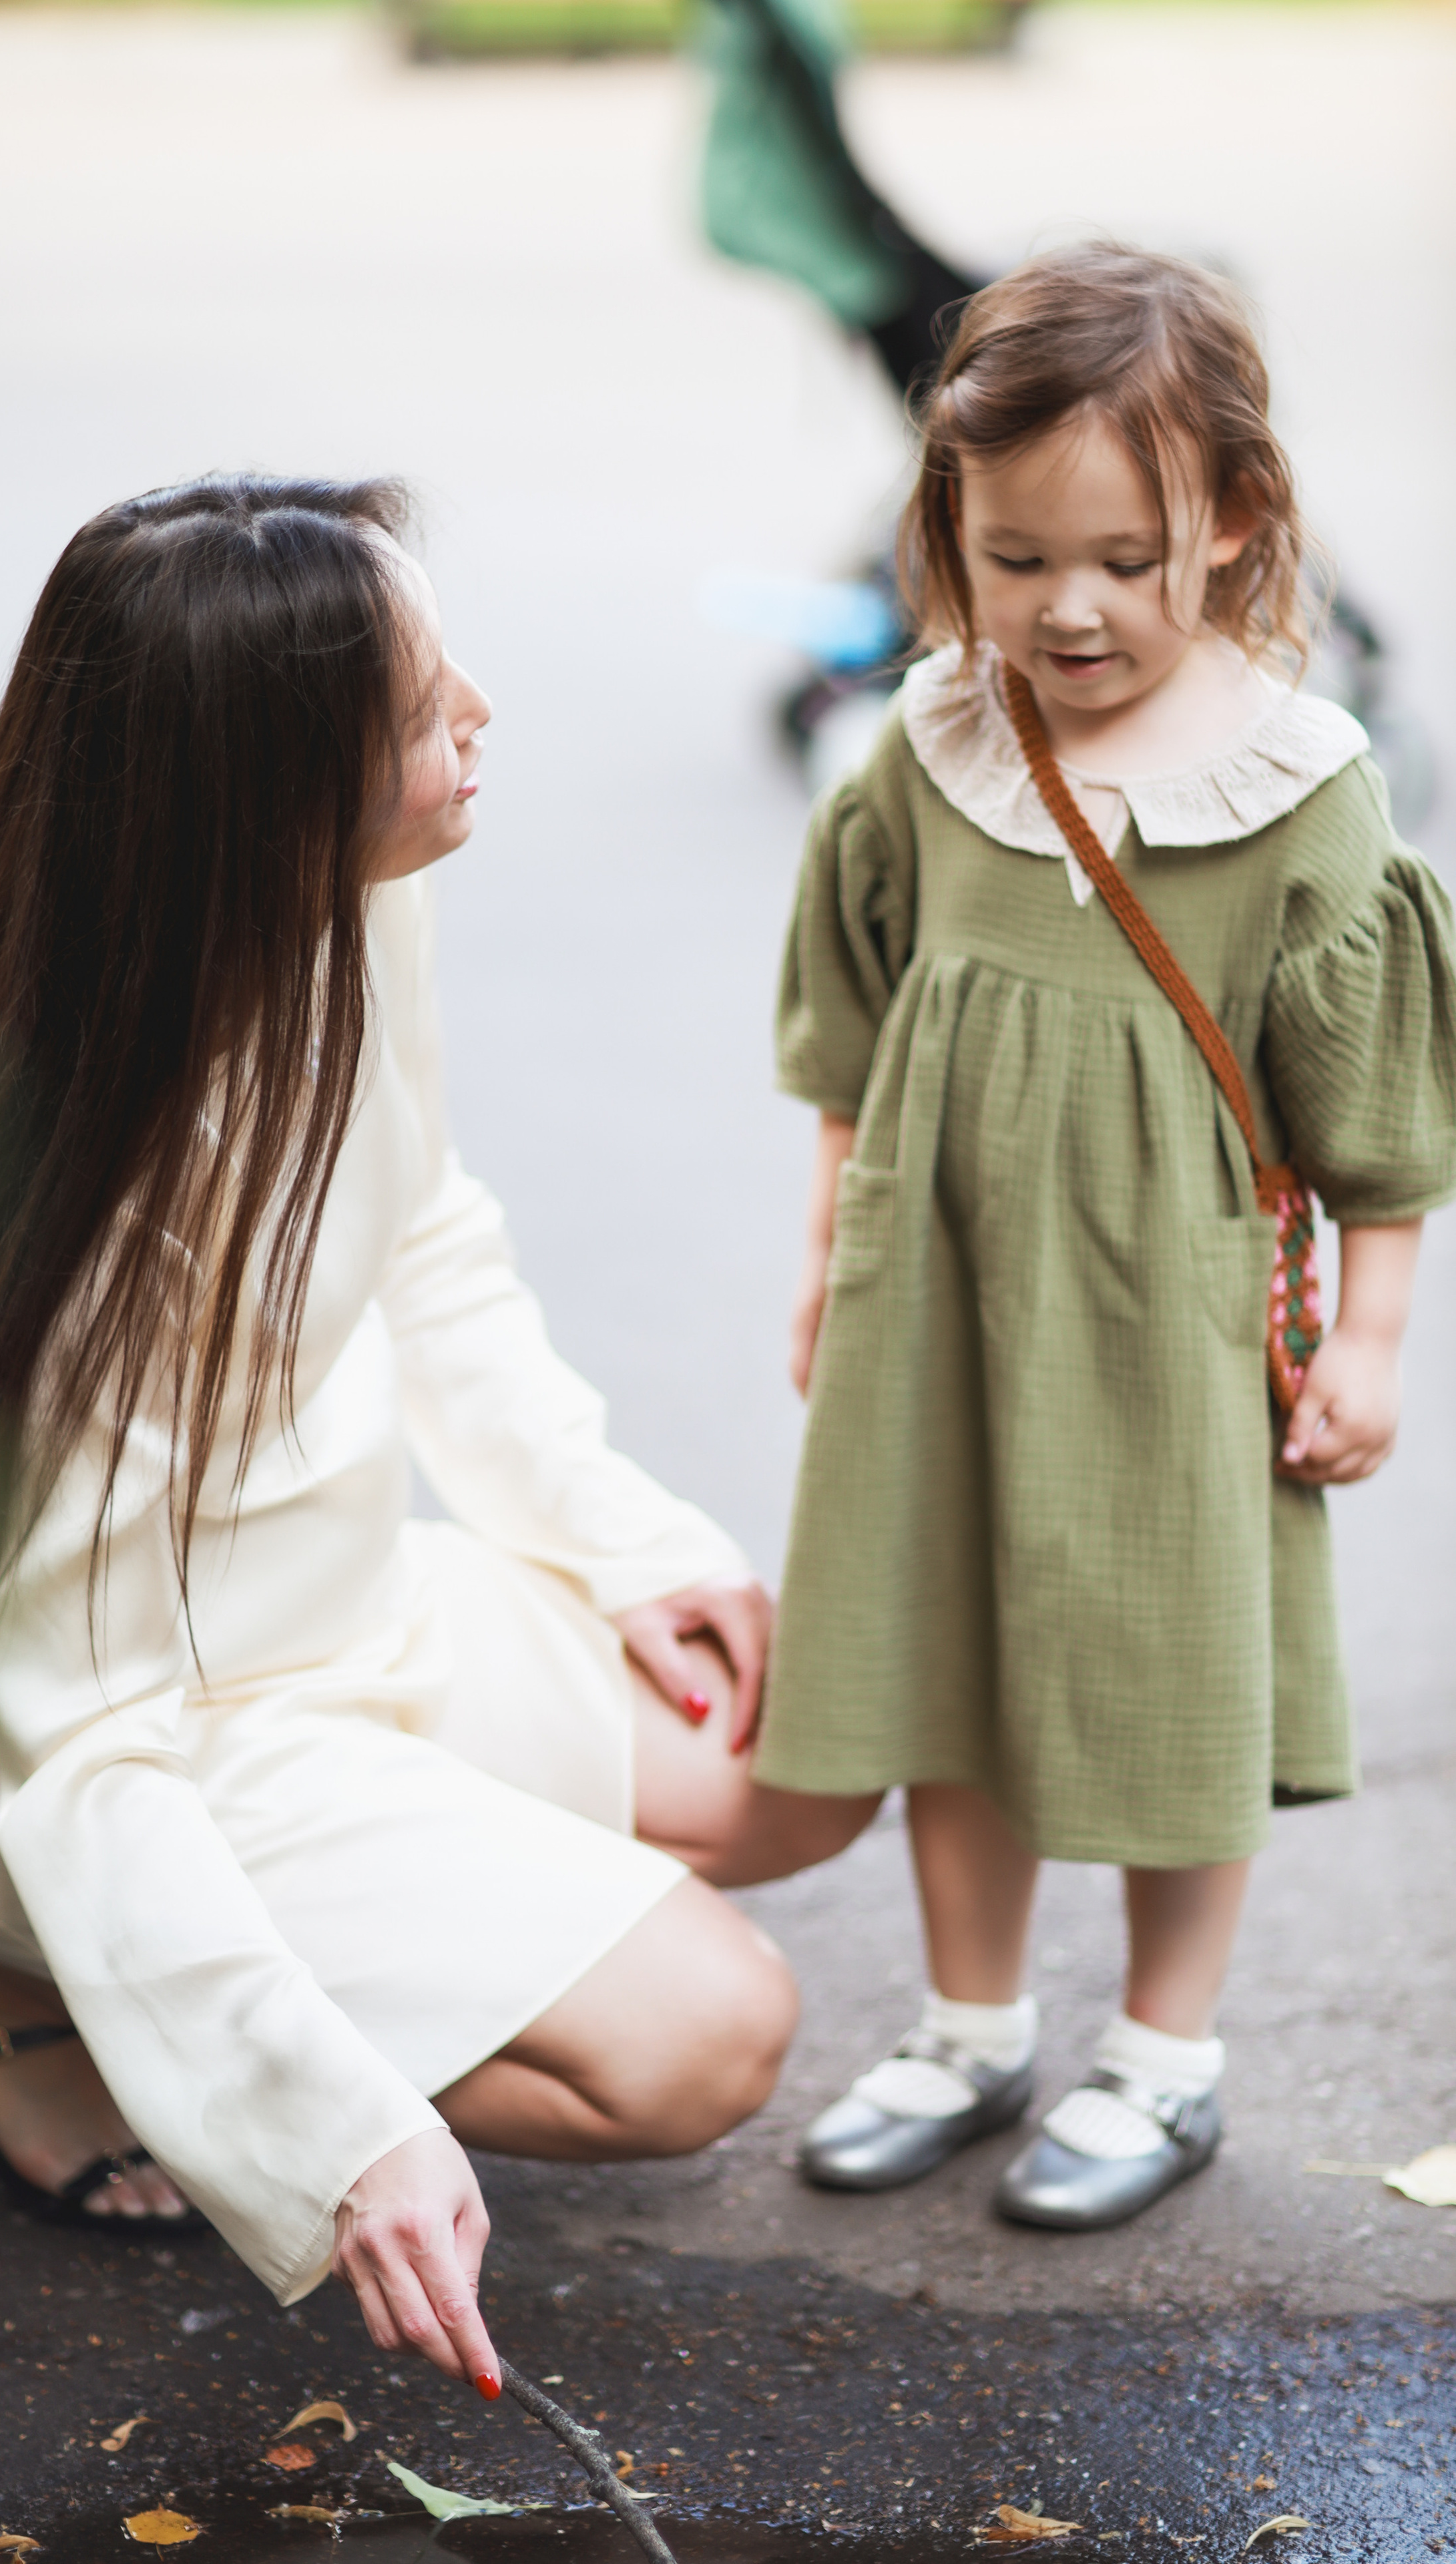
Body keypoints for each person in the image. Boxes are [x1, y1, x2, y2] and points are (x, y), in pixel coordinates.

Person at [0, 476, 853, 2387]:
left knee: (815, 1755)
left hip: (313, 1624)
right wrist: (327, 2125)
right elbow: (89, 1744)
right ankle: (11, 1994)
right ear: (266, 795)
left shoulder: (334, 903)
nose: (486, 717)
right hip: (57, 1747)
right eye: (428, 707)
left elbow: (426, 1231)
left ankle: (172, 1974)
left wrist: (630, 1543)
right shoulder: (61, 1185)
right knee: (712, 2043)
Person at [760, 244, 1456, 2231]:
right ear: (949, 535)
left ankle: (1165, 2059)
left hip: (1173, 1313)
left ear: (1232, 524)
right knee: (942, 1653)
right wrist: (829, 1247)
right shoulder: (931, 745)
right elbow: (851, 1018)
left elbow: (1381, 1122)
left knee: (1169, 1668)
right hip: (940, 1293)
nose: (1069, 610)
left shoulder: (1300, 793)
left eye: (1128, 560)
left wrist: (1376, 1338)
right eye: (1016, 558)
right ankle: (970, 2028)